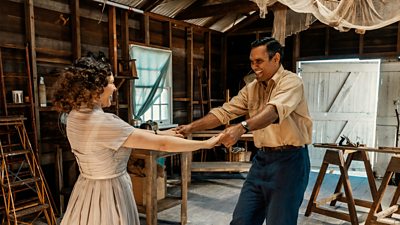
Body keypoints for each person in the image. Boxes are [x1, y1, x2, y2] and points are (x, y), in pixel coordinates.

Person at [52, 54, 221, 225]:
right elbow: (161, 145)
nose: (115, 88)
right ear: (94, 89)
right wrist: (205, 143)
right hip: (110, 192)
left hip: (86, 188)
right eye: (110, 83)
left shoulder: (72, 116)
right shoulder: (105, 123)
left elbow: (129, 134)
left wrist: (163, 133)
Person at [174, 37, 312, 225]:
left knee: (280, 221)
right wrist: (190, 127)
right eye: (252, 62)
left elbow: (272, 112)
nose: (254, 67)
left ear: (276, 58)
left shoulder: (292, 82)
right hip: (262, 160)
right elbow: (224, 112)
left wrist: (242, 127)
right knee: (242, 220)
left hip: (290, 162)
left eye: (259, 61)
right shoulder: (252, 88)